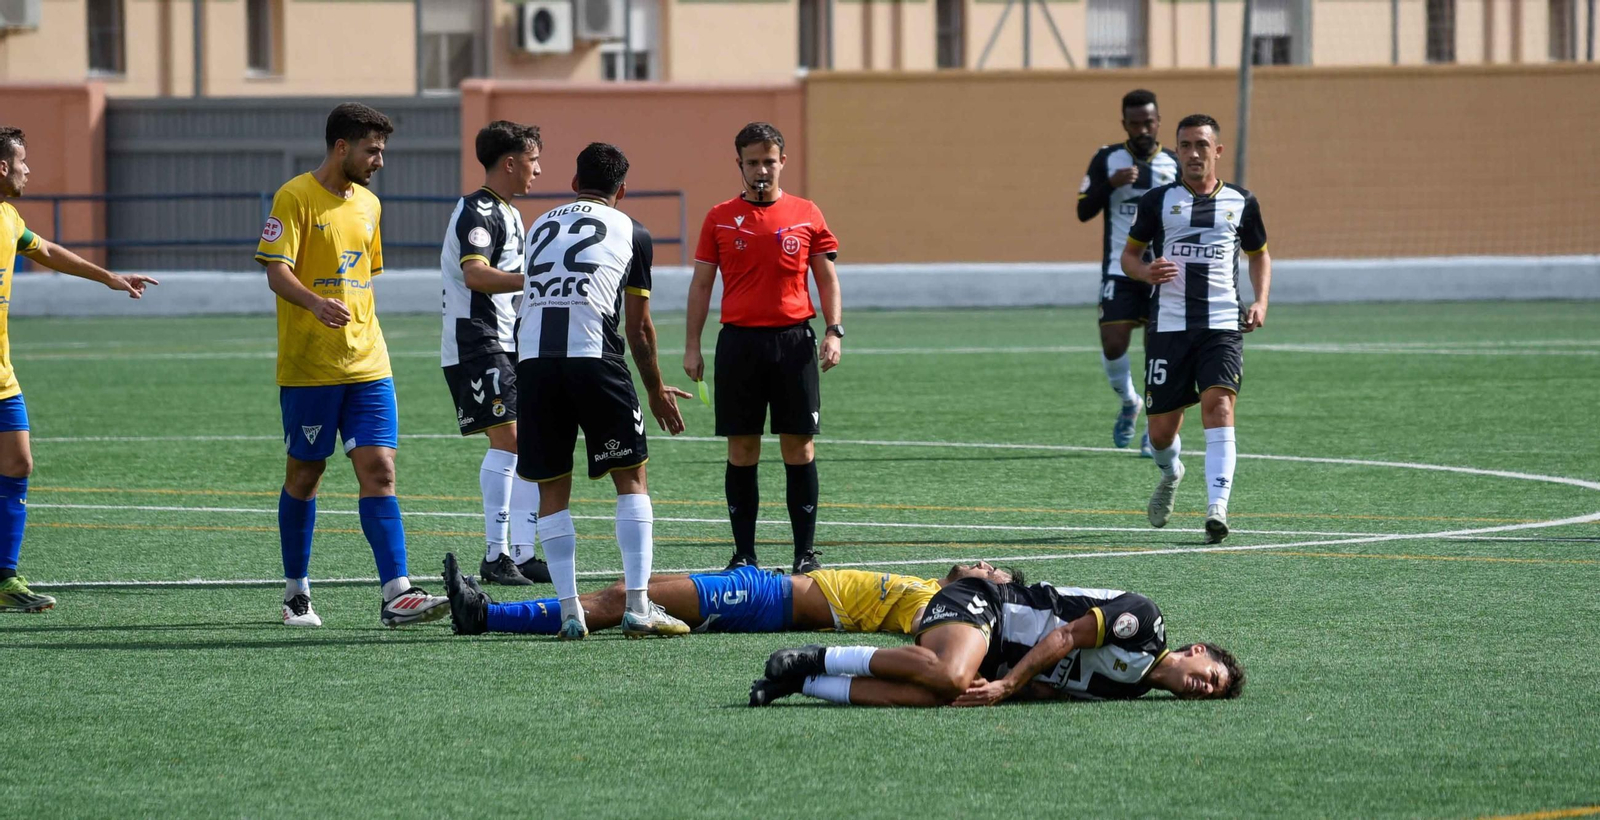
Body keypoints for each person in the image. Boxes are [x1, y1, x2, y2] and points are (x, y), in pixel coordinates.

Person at [255, 102, 447, 628]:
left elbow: (365, 276)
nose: (379, 160)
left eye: (382, 150)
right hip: (310, 369)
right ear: (342, 147)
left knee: (380, 472)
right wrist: (315, 303)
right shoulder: (294, 197)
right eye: (372, 150)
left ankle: (396, 592)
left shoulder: (369, 204)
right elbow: (276, 271)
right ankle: (296, 591)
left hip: (368, 364)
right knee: (306, 474)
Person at [510, 142, 693, 640]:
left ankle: (571, 612)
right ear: (622, 191)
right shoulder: (633, 231)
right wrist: (655, 390)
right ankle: (637, 605)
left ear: (574, 184)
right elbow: (639, 329)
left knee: (552, 490)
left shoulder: (540, 223)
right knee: (631, 481)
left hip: (533, 363)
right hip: (594, 358)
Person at [0, 127, 159, 613]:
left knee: (18, 463)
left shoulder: (8, 217)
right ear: (2, 167)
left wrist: (107, 277)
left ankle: (4, 579)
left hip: (1, 375)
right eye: (23, 161)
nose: (29, 170)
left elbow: (43, 249)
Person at [684, 122, 842, 575]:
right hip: (738, 344)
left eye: (769, 161)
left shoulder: (806, 212)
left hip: (793, 343)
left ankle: (804, 554)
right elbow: (700, 284)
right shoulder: (718, 216)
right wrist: (692, 346)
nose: (761, 169)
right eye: (752, 162)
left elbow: (826, 276)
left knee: (800, 448)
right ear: (740, 164)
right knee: (742, 450)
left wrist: (834, 331)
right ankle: (744, 555)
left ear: (782, 162)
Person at [750, 574, 1245, 707]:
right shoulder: (1146, 621)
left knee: (946, 694)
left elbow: (1053, 687)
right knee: (949, 674)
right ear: (1196, 652)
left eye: (1214, 692)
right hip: (987, 605)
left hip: (997, 655)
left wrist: (1000, 692)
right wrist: (1008, 686)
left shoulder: (1133, 687)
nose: (1207, 687)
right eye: (1213, 678)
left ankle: (804, 682)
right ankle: (818, 655)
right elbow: (1068, 636)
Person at [1120, 114, 1271, 544]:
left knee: (1218, 406)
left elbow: (1260, 254)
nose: (1193, 154)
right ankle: (1171, 470)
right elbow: (1129, 257)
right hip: (1168, 326)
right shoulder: (1158, 201)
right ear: (1178, 151)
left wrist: (1259, 300)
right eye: (1185, 146)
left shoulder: (1242, 202)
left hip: (1222, 323)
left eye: (1201, 145)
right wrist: (1147, 271)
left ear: (1217, 151)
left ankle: (1216, 509)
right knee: (1161, 432)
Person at [439, 120, 550, 587]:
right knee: (510, 442)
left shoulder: (508, 212)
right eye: (532, 160)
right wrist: (536, 280)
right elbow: (476, 275)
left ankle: (521, 554)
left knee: (526, 445)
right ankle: (495, 554)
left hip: (505, 341)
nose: (538, 170)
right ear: (510, 162)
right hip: (476, 340)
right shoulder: (478, 209)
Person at [442, 552, 1013, 637]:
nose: (985, 563)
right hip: (761, 586)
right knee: (625, 590)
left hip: (768, 602)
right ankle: (490, 613)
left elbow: (934, 636)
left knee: (621, 603)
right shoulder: (926, 586)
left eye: (994, 571)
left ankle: (487, 616)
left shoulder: (933, 606)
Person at [1076, 89, 1180, 458]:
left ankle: (1154, 432)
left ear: (1158, 123)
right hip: (1119, 270)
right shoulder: (1106, 159)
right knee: (1114, 343)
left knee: (1159, 353)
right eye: (1134, 124)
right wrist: (1111, 184)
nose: (1142, 129)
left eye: (1148, 122)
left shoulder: (1174, 162)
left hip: (1164, 272)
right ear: (1125, 125)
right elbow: (1083, 211)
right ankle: (1129, 401)